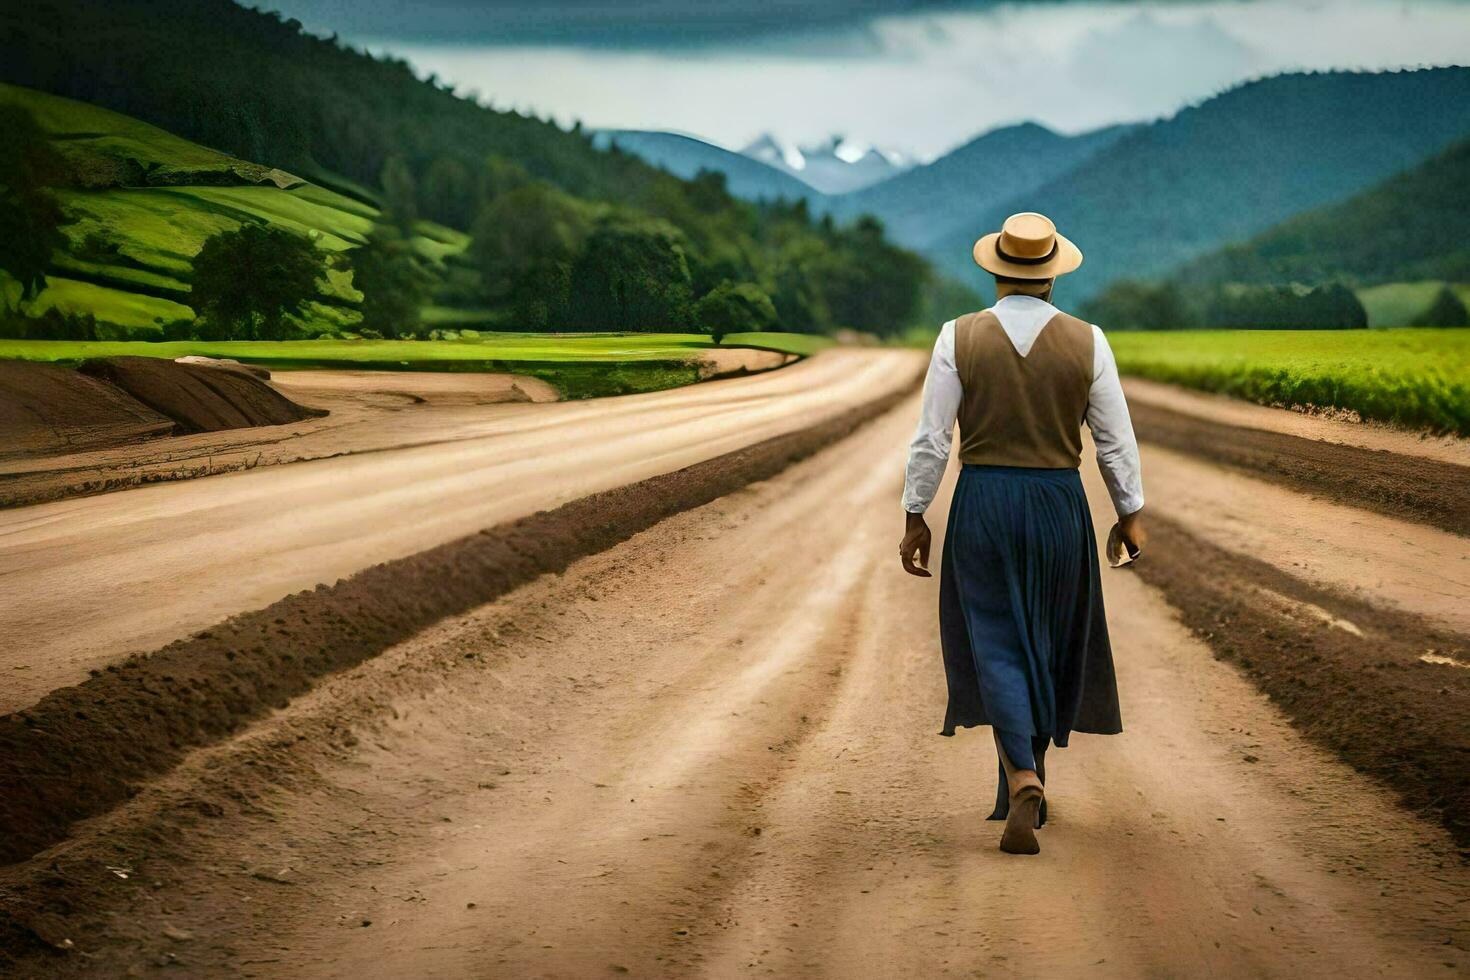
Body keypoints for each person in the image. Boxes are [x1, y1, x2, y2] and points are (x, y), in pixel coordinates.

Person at [898, 212, 1146, 855]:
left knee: (997, 640)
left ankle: (1021, 778)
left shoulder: (958, 337)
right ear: (1053, 276)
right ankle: (1025, 783)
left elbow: (932, 438)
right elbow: (1115, 441)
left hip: (984, 500)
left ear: (996, 269)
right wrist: (1129, 512)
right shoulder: (1090, 342)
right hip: (1060, 503)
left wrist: (914, 513)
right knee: (1047, 639)